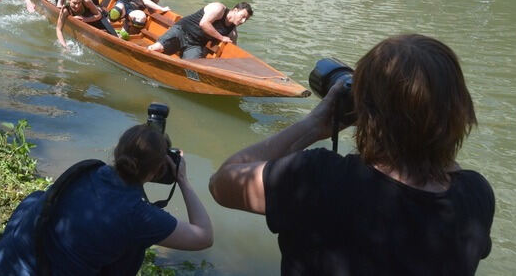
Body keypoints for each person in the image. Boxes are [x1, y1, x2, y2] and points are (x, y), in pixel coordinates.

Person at [209, 34, 494, 276]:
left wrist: (312, 126)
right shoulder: (476, 195)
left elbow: (222, 182)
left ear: (365, 110)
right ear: (459, 110)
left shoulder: (318, 177)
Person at [0, 123, 213, 276]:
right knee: (134, 246)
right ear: (157, 171)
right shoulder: (139, 215)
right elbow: (204, 236)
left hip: (0, 266)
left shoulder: (89, 168)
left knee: (36, 198)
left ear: (118, 152)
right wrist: (183, 180)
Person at [147, 2, 252, 60]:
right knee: (156, 48)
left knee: (194, 67)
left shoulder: (232, 32)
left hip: (195, 45)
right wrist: (221, 37)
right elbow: (204, 24)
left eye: (246, 19)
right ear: (235, 10)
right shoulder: (218, 8)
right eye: (242, 16)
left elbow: (233, 51)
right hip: (182, 32)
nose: (243, 21)